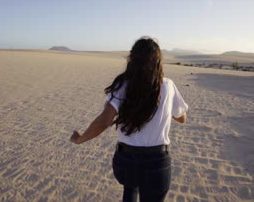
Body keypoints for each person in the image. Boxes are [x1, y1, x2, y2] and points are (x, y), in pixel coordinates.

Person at [70, 37, 188, 202]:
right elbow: (182, 118)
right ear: (158, 61)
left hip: (126, 160)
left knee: (130, 188)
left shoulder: (123, 85)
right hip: (157, 161)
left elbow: (104, 121)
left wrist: (80, 139)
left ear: (132, 59)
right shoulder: (168, 86)